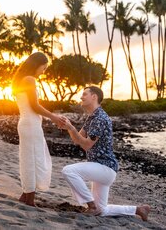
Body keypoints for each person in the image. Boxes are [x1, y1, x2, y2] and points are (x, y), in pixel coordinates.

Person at [60, 86, 151, 220]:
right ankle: (138, 209)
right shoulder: (92, 117)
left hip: (104, 167)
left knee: (68, 171)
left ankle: (91, 205)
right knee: (102, 210)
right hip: (100, 168)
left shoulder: (100, 118)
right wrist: (69, 127)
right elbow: (77, 140)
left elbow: (86, 145)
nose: (81, 97)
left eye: (84, 94)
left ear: (94, 97)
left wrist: (71, 128)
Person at [12, 52, 65, 206]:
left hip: (28, 123)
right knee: (33, 160)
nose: (44, 71)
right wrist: (54, 117)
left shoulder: (22, 80)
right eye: (44, 67)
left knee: (31, 158)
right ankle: (30, 200)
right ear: (36, 64)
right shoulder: (29, 79)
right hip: (30, 124)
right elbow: (34, 106)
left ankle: (25, 195)